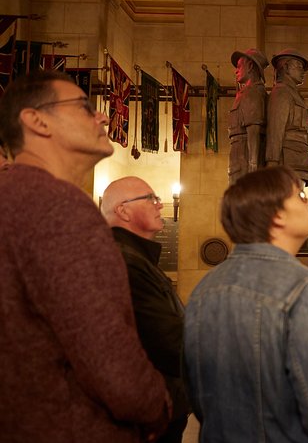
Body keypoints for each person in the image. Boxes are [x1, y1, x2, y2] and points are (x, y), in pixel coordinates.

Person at [0, 70, 171, 442]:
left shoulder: (12, 195)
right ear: (36, 120)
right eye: (83, 106)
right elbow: (106, 353)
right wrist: (157, 406)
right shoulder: (58, 206)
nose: (103, 116)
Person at [184, 166, 308, 442]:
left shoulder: (205, 289)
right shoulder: (306, 290)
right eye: (299, 195)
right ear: (277, 216)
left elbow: (199, 396)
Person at [101, 176, 191, 443]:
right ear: (123, 210)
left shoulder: (136, 257)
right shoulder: (125, 261)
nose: (160, 205)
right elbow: (166, 341)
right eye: (150, 198)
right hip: (148, 409)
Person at [266, 48, 308, 187]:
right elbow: (275, 129)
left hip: (298, 160)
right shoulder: (281, 92)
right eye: (298, 66)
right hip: (287, 161)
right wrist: (272, 162)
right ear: (286, 67)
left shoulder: (294, 94)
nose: (302, 72)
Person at [228, 48, 269, 184]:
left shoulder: (252, 93)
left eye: (239, 66)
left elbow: (254, 130)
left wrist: (253, 166)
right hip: (239, 156)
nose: (236, 71)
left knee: (242, 201)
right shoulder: (246, 92)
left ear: (250, 66)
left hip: (244, 156)